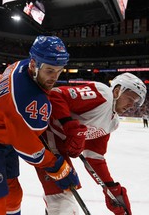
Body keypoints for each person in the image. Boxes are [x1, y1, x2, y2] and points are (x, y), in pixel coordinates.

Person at [0, 35, 80, 215]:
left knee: (14, 195)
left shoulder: (22, 65)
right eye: (49, 71)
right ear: (34, 65)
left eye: (59, 71)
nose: (54, 78)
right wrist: (59, 169)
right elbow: (31, 151)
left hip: (2, 129)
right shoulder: (23, 101)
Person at [36, 72, 147, 215]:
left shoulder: (112, 122)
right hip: (43, 132)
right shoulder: (103, 94)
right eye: (130, 98)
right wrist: (69, 125)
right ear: (118, 90)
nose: (132, 105)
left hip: (57, 144)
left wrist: (110, 187)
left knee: (64, 194)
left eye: (135, 102)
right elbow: (56, 95)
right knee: (63, 201)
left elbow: (94, 156)